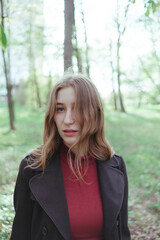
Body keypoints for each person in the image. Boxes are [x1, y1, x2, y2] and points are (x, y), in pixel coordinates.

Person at [10, 73, 131, 240]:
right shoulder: (32, 167)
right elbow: (20, 234)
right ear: (52, 115)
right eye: (60, 109)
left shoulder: (115, 165)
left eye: (78, 108)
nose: (68, 119)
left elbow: (122, 232)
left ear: (95, 113)